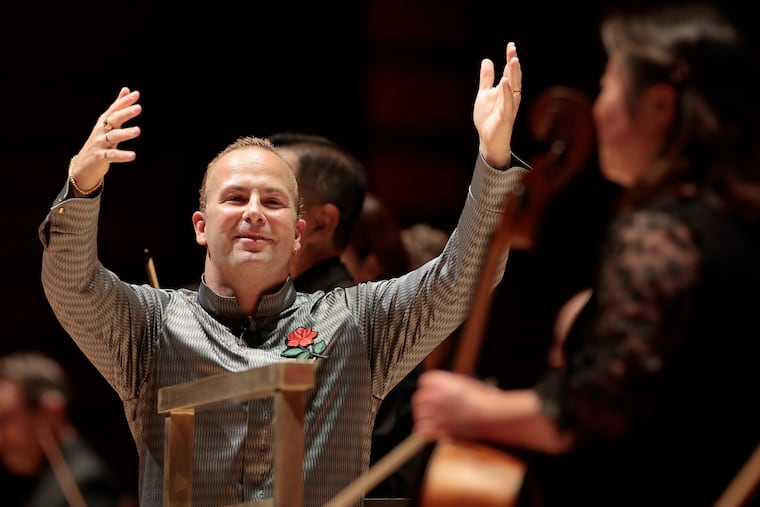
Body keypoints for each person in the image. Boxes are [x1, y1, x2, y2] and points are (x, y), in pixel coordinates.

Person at [39, 42, 526, 507]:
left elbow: (465, 278)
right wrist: (81, 187)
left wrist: (494, 159)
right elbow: (71, 286)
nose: (254, 212)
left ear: (297, 234)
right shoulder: (150, 328)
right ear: (201, 227)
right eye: (235, 198)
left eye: (272, 202)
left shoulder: (358, 322)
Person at [411, 3, 760, 507]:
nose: (596, 108)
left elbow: (594, 412)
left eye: (609, 87)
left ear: (660, 105)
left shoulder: (660, 233)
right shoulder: (731, 226)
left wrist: (477, 408)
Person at [0, 351, 136, 507]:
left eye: (5, 419)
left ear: (51, 412)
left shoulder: (86, 484)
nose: (1, 439)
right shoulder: (44, 478)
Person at [269, 131, 367, 293]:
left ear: (321, 223)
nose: (252, 213)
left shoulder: (338, 312)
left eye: (272, 201)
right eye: (239, 198)